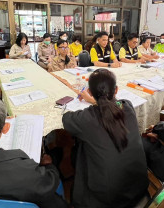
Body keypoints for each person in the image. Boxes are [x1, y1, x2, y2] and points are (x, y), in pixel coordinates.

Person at [63, 69, 149, 208]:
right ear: (116, 90)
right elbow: (114, 106)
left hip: (106, 200)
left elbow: (66, 119)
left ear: (90, 92)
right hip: (138, 187)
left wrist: (92, 101)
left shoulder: (87, 118)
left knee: (80, 148)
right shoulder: (126, 105)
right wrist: (95, 101)